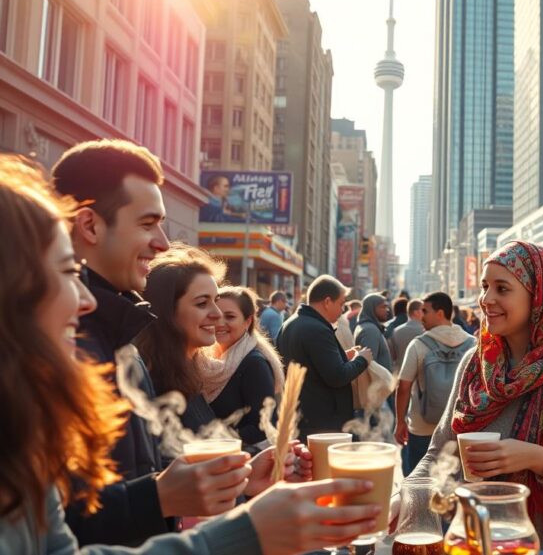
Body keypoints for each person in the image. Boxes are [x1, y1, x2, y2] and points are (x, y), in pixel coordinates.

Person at [0, 155, 385, 555]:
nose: (163, 241)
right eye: (66, 272)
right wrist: (231, 526)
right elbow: (78, 518)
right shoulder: (76, 354)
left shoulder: (126, 347)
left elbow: (58, 534)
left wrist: (223, 483)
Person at [51, 140, 240, 545]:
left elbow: (135, 469)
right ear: (89, 226)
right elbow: (52, 527)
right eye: (147, 223)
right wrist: (160, 496)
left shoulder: (123, 339)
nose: (163, 243)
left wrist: (235, 477)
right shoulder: (56, 345)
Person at [405, 241, 543, 551]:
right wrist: (405, 495)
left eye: (502, 289)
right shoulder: (474, 363)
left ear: (539, 297)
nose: (486, 299)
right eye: (484, 287)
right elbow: (439, 453)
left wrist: (540, 459)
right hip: (471, 542)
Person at [134, 244, 229, 437]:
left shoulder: (186, 372)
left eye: (216, 301)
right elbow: (162, 463)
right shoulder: (148, 382)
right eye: (202, 303)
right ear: (167, 312)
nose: (218, 314)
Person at [277, 275, 372, 439]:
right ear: (327, 302)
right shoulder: (318, 329)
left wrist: (343, 357)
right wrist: (362, 359)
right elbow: (337, 376)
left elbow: (312, 364)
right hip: (323, 424)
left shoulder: (289, 324)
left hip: (300, 417)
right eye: (341, 304)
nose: (343, 310)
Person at [394, 292, 475, 476]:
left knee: (419, 483)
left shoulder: (419, 344)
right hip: (459, 427)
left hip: (422, 428)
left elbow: (404, 386)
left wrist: (400, 422)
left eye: (425, 311)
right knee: (453, 486)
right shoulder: (472, 343)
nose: (421, 316)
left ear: (440, 313)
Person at [210, 286, 286, 450]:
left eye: (229, 316)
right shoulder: (207, 359)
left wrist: (214, 440)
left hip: (243, 462)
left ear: (248, 321)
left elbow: (262, 427)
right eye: (215, 315)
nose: (219, 323)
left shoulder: (254, 364)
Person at [354, 293, 394, 371]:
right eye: (383, 307)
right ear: (371, 309)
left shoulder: (369, 327)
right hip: (377, 383)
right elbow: (370, 366)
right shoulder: (370, 331)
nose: (387, 310)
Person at [389, 299, 425, 372]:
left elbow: (392, 356)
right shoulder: (424, 331)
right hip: (421, 373)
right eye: (423, 310)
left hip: (401, 371)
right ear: (416, 312)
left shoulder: (396, 331)